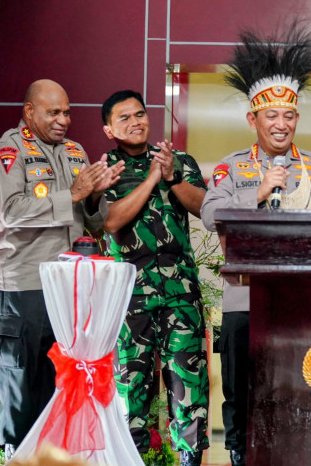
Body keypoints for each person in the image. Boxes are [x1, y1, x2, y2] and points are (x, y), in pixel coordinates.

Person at [199, 25, 311, 466]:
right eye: (271, 116)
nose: (281, 124)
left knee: (301, 391)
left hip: (303, 301)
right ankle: (239, 457)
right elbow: (210, 215)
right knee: (241, 392)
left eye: (288, 116)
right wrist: (259, 193)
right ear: (253, 120)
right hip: (244, 300)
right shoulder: (232, 168)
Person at [0, 79, 124, 459]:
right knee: (22, 386)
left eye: (67, 112)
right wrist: (73, 193)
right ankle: (17, 457)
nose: (64, 120)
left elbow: (93, 222)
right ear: (29, 112)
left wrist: (94, 195)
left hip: (69, 290)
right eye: (54, 112)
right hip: (24, 287)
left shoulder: (75, 152)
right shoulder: (8, 151)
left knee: (63, 387)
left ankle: (58, 460)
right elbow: (11, 210)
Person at [100, 90, 209, 466]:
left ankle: (189, 460)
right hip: (130, 299)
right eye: (125, 118)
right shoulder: (106, 169)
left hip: (181, 293)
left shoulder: (179, 161)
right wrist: (151, 179)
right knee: (131, 392)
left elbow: (203, 208)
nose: (136, 122)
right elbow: (111, 221)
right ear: (109, 129)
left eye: (140, 114)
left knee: (189, 389)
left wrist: (172, 176)